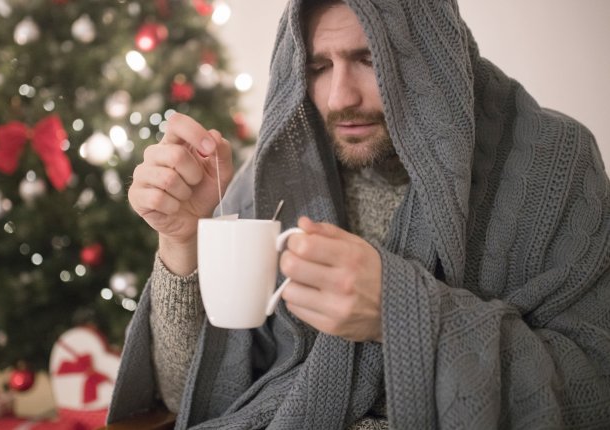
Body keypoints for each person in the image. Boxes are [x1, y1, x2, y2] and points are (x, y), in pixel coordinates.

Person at [108, 0, 610, 428]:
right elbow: (185, 396)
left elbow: (596, 388)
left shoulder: (552, 165)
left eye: (370, 59)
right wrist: (180, 242)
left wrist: (401, 315)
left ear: (430, 53)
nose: (339, 98)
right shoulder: (278, 176)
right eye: (318, 67)